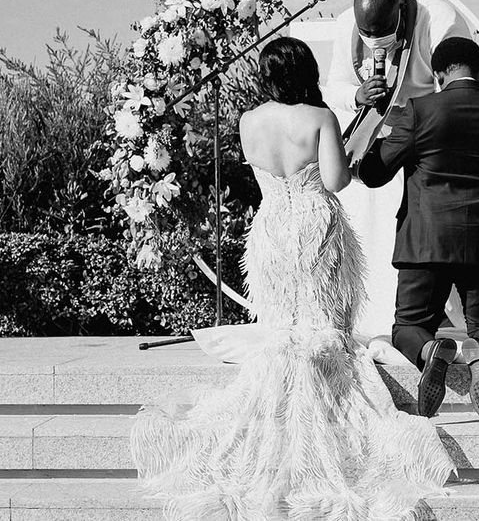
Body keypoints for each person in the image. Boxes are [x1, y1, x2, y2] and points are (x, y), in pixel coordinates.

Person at [131, 37, 454, 520]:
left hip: (273, 227)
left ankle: (277, 426)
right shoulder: (319, 118)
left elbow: (266, 172)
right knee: (324, 331)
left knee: (286, 331)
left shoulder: (248, 121)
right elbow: (336, 181)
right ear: (306, 70)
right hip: (316, 225)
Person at [357, 37, 479, 421]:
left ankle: (429, 351)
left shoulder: (419, 111)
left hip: (426, 242)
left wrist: (377, 125)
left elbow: (372, 173)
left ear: (437, 75)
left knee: (409, 327)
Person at [324, 0, 471, 339]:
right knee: (364, 216)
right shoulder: (346, 24)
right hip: (378, 141)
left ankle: (428, 320)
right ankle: (369, 318)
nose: (376, 41)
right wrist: (357, 95)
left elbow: (455, 88)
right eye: (368, 33)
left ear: (401, 11)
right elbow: (334, 87)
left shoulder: (438, 18)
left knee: (427, 227)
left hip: (430, 138)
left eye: (384, 33)